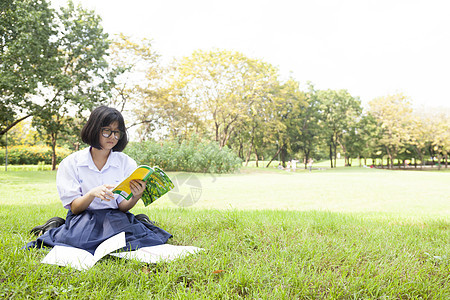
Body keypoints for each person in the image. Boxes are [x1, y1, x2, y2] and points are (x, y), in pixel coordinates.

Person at [26, 106, 171, 254]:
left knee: (129, 242)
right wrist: (91, 194)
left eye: (117, 132)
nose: (112, 137)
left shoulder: (126, 163)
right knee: (80, 242)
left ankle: (139, 220)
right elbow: (75, 208)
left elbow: (122, 207)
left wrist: (136, 196)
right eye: (107, 131)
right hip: (83, 217)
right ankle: (55, 225)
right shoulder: (71, 163)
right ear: (94, 129)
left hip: (114, 217)